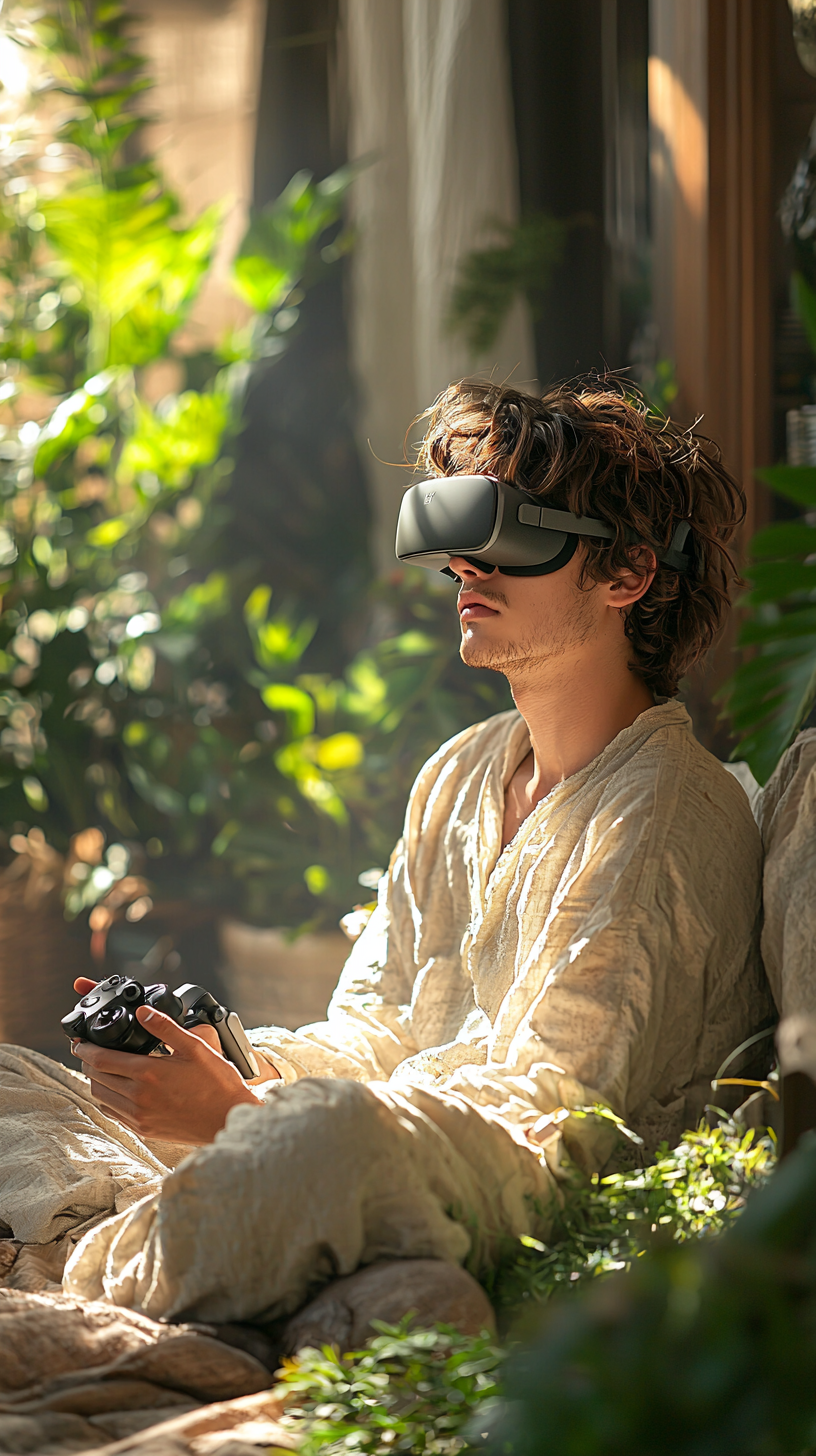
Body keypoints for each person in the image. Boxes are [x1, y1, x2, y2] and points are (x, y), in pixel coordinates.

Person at [0, 379, 773, 1325]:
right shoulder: (461, 773)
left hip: (482, 1182)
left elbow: (557, 1127)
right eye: (458, 541)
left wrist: (243, 1124)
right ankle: (158, 1234)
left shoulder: (663, 812)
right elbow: (377, 1028)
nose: (464, 569)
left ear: (628, 575)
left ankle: (83, 1265)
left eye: (509, 538)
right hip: (354, 1145)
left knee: (324, 1151)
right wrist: (238, 1066)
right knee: (14, 1077)